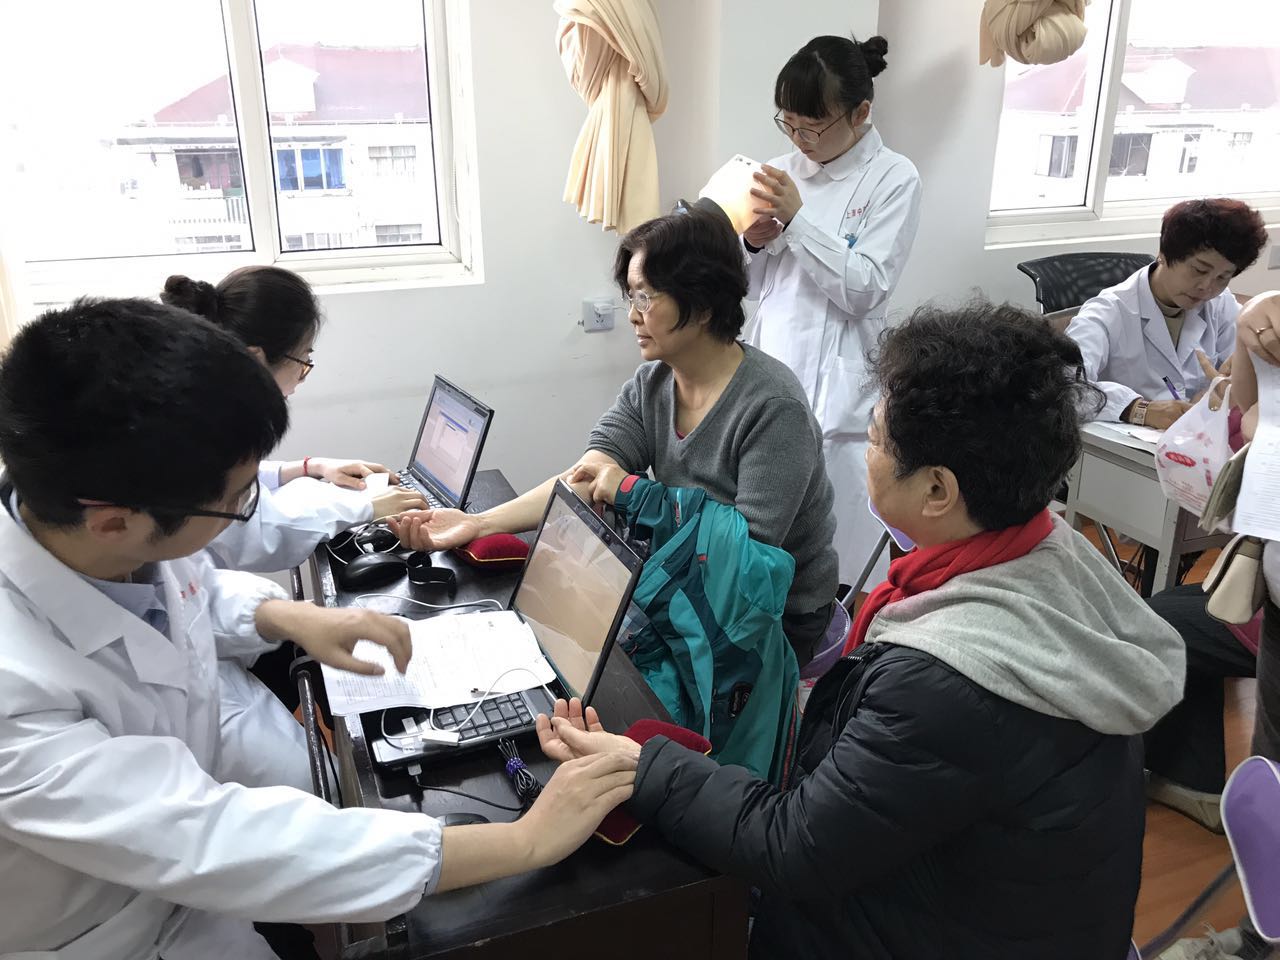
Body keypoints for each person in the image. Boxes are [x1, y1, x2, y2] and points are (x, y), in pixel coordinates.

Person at [536, 299, 1185, 960]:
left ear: (937, 491)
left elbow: (795, 844)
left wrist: (642, 766)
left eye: (874, 439)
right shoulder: (1052, 555)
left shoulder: (946, 682)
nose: (863, 454)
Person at [0, 297, 636, 960]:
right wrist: (525, 841)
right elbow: (210, 839)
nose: (247, 509)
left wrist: (283, 614)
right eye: (238, 500)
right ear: (111, 520)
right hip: (103, 937)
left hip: (184, 907)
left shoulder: (89, 532)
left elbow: (185, 586)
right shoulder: (13, 691)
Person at [392, 205, 840, 664]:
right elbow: (588, 475)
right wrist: (479, 524)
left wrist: (632, 492)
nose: (632, 315)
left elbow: (749, 560)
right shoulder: (654, 384)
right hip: (689, 582)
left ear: (704, 305)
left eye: (645, 297)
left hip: (775, 613)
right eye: (630, 296)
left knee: (602, 669)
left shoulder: (772, 408)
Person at [743, 33, 922, 587]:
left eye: (812, 127)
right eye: (789, 124)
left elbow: (866, 288)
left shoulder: (894, 177)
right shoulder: (779, 171)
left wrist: (798, 222)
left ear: (860, 113)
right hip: (769, 370)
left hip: (839, 393)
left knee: (832, 566)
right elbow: (750, 287)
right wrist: (750, 243)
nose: (799, 141)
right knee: (761, 547)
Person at [161, 266, 428, 575]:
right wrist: (367, 506)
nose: (303, 376)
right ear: (257, 358)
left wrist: (307, 467)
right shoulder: (200, 424)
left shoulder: (203, 399)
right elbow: (250, 536)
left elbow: (235, 484)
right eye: (303, 360)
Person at [1065, 198, 1268, 429]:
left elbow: (1254, 370)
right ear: (1163, 253)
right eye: (1199, 270)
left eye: (1223, 277)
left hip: (1195, 436)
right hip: (1123, 443)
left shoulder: (1220, 304)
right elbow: (1064, 385)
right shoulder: (1108, 312)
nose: (1207, 287)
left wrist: (1228, 390)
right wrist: (1138, 409)